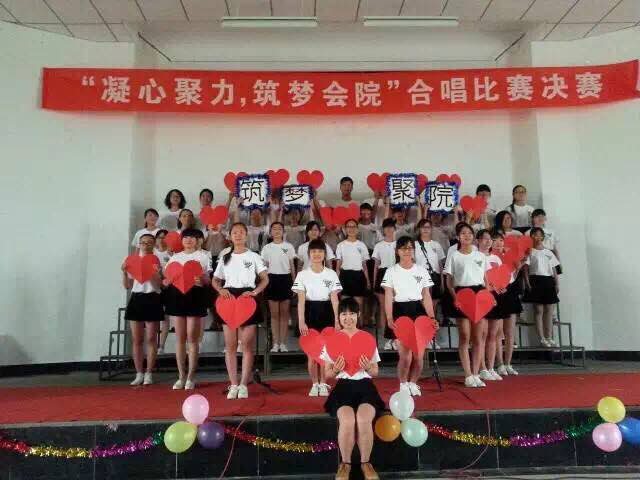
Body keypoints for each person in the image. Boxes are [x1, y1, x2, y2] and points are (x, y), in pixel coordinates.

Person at [322, 297, 384, 480]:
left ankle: (366, 464)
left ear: (358, 315)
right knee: (348, 420)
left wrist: (368, 367)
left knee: (363, 419)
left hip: (365, 386)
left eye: (352, 314)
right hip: (343, 388)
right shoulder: (332, 340)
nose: (348, 318)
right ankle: (345, 464)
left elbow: (375, 372)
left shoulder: (367, 338)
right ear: (339, 317)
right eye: (344, 314)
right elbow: (327, 374)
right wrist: (335, 369)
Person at [213, 223, 269, 400]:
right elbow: (215, 280)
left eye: (241, 232)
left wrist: (254, 292)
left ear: (246, 235)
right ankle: (233, 383)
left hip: (247, 299)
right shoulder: (225, 257)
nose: (238, 235)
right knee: (230, 345)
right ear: (230, 236)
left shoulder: (254, 256)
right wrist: (220, 289)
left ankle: (244, 384)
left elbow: (264, 279)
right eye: (235, 232)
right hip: (229, 299)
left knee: (246, 345)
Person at [382, 236, 437, 396]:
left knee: (419, 355)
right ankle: (403, 384)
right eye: (403, 248)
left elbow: (426, 296)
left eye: (410, 247)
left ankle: (413, 383)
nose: (407, 251)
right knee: (405, 356)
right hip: (400, 311)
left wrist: (432, 317)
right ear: (397, 251)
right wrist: (389, 317)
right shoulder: (391, 271)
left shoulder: (421, 270)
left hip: (418, 312)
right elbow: (388, 296)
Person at [163, 229, 213, 390]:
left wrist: (202, 280)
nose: (188, 240)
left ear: (197, 240)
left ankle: (191, 377)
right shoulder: (175, 257)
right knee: (180, 338)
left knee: (192, 337)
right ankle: (181, 376)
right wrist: (167, 281)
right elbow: (166, 279)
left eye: (192, 237)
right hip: (177, 296)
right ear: (181, 240)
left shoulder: (203, 257)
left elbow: (208, 280)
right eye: (185, 237)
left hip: (195, 296)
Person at [444, 222, 491, 388]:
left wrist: (488, 296)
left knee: (478, 337)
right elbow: (449, 281)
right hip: (462, 294)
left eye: (469, 233)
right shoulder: (454, 256)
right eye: (463, 233)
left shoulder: (480, 256)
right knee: (465, 335)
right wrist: (455, 297)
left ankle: (476, 373)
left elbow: (486, 279)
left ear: (473, 237)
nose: (467, 236)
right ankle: (468, 374)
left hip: (479, 294)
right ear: (458, 237)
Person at [293, 239, 342, 397]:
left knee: (325, 353)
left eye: (320, 251)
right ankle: (315, 383)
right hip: (310, 313)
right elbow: (301, 301)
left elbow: (335, 300)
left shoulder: (331, 274)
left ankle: (324, 382)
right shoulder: (302, 275)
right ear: (309, 254)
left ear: (324, 254)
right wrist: (301, 321)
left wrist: (337, 320)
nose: (317, 254)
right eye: (313, 251)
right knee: (312, 354)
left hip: (327, 312)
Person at [121, 234, 164, 386]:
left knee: (151, 338)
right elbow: (127, 285)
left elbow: (159, 285)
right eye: (143, 242)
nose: (146, 245)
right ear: (139, 244)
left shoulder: (156, 260)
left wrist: (154, 273)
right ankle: (139, 373)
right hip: (136, 298)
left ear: (153, 245)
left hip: (152, 298)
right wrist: (123, 272)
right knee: (137, 339)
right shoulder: (131, 260)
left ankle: (149, 373)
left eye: (149, 243)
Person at [490, 231, 522, 377]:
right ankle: (500, 364)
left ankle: (508, 363)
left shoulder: (510, 255)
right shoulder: (489, 257)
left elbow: (515, 271)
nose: (498, 243)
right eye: (495, 240)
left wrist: (518, 265)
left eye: (501, 240)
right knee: (498, 332)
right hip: (497, 292)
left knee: (510, 332)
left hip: (510, 292)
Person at [261, 222, 296, 353]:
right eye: (274, 229)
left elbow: (292, 266)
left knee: (285, 314)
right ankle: (275, 343)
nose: (276, 231)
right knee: (274, 314)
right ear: (270, 232)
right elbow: (264, 267)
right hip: (271, 280)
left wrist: (294, 283)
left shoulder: (289, 247)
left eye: (279, 229)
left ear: (283, 232)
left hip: (286, 279)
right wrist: (263, 283)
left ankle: (283, 343)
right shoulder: (267, 248)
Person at [523, 227, 560, 348]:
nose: (537, 237)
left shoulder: (549, 252)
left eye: (540, 235)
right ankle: (541, 338)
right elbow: (525, 269)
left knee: (549, 310)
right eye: (535, 235)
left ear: (543, 237)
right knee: (538, 310)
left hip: (548, 281)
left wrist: (557, 283)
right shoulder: (529, 251)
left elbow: (554, 269)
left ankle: (549, 337)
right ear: (531, 237)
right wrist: (527, 283)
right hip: (535, 280)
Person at [476, 229, 504, 382]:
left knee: (493, 334)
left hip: (495, 296)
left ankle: (491, 367)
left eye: (490, 239)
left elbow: (502, 277)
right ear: (478, 241)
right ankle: (482, 368)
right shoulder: (475, 256)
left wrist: (501, 286)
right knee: (482, 334)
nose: (488, 242)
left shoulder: (496, 258)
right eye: (485, 239)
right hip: (481, 295)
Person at [336, 219, 371, 315]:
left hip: (358, 276)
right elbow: (338, 267)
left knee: (359, 306)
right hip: (345, 276)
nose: (351, 229)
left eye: (353, 227)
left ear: (357, 229)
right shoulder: (340, 245)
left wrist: (368, 281)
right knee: (344, 306)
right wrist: (337, 282)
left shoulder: (362, 245)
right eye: (349, 227)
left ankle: (360, 324)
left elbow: (364, 266)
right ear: (345, 229)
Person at [414, 219, 446, 323]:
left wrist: (442, 282)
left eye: (428, 227)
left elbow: (440, 265)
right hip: (420, 278)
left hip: (435, 276)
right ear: (419, 229)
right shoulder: (414, 245)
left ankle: (432, 327)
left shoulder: (436, 245)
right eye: (423, 227)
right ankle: (424, 325)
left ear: (431, 229)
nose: (425, 229)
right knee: (422, 303)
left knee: (434, 304)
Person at [371, 218, 396, 350]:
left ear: (394, 229)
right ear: (383, 230)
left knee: (395, 306)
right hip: (383, 273)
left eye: (391, 227)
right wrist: (375, 281)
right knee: (383, 307)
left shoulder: (399, 244)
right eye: (386, 227)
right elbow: (376, 265)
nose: (389, 229)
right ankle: (385, 339)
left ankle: (395, 337)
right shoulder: (379, 245)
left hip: (396, 274)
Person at [153, 229, 171, 354]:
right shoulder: (152, 253)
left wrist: (166, 281)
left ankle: (162, 346)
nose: (162, 239)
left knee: (165, 317)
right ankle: (153, 344)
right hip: (154, 287)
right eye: (160, 237)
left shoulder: (171, 253)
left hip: (167, 287)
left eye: (165, 237)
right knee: (154, 317)